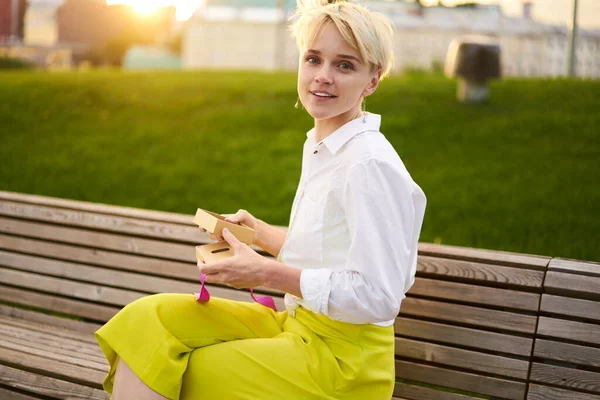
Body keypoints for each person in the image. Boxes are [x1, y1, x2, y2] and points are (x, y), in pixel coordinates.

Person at [94, 0, 426, 398]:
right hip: (298, 326)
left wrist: (267, 273)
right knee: (147, 323)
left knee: (187, 368)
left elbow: (378, 296)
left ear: (372, 81)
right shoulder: (325, 144)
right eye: (314, 59)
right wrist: (261, 235)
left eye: (344, 65)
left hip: (342, 364)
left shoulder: (369, 164)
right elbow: (331, 251)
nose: (322, 77)